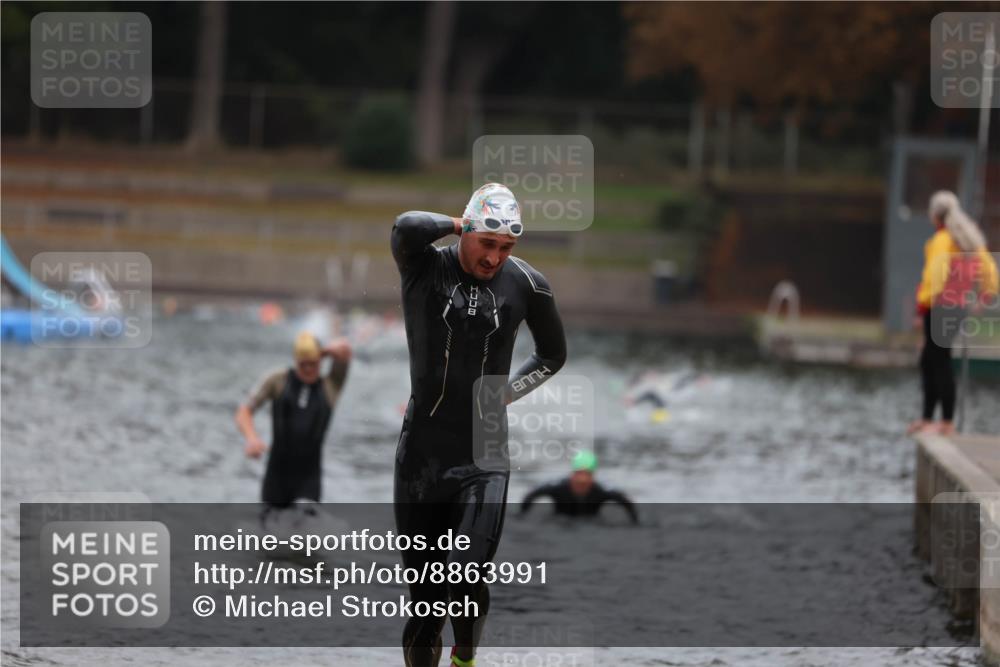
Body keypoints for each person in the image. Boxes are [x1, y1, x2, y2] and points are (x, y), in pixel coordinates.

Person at [391, 183, 567, 667]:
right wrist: (459, 223)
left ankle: (465, 657)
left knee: (465, 577)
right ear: (467, 232)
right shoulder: (424, 265)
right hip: (422, 452)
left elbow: (553, 355)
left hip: (484, 449)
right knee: (426, 600)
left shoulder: (527, 285)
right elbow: (406, 225)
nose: (494, 258)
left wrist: (504, 394)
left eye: (505, 248)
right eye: (486, 244)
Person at [908, 191, 997, 436]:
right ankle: (938, 420)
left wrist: (924, 308)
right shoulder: (970, 239)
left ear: (936, 215)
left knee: (934, 362)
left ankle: (939, 421)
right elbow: (989, 270)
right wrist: (983, 298)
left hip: (939, 306)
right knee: (936, 360)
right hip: (956, 307)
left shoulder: (943, 240)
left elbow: (934, 277)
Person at [235, 331, 351, 507]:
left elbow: (345, 350)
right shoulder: (277, 380)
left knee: (305, 524)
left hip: (309, 481)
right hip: (275, 479)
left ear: (320, 360)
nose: (309, 369)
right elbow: (244, 411)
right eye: (303, 364)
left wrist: (319, 351)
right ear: (295, 361)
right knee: (269, 530)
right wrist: (251, 438)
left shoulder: (331, 385)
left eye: (313, 363)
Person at [520, 451, 639, 524]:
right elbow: (533, 494)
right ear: (573, 474)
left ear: (593, 476)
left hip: (592, 523)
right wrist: (522, 515)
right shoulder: (559, 487)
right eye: (579, 473)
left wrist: (634, 522)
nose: (582, 479)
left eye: (587, 474)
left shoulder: (599, 491)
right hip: (560, 523)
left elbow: (625, 501)